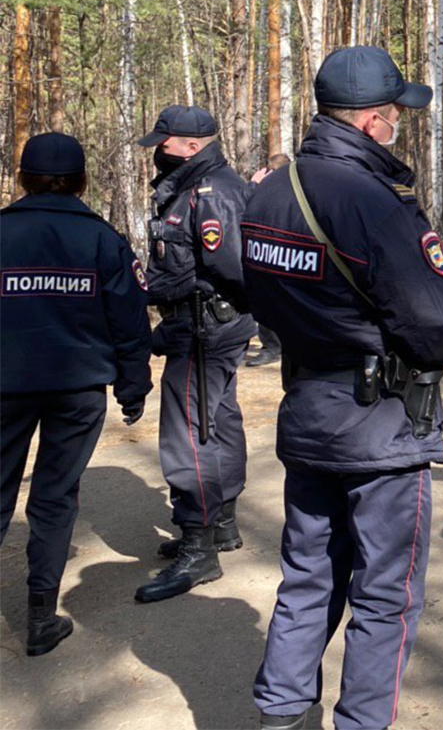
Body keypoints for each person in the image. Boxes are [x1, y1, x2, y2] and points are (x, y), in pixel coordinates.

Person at [243, 46, 443, 730]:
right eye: (398, 111)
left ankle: (280, 714)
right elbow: (438, 330)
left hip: (308, 414)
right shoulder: (375, 202)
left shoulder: (269, 191)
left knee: (308, 578)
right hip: (381, 429)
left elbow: (257, 295)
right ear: (373, 121)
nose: (402, 121)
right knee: (385, 596)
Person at [1, 132, 153, 655]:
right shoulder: (103, 239)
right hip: (77, 389)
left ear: (22, 178)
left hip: (7, 386)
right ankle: (41, 617)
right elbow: (131, 321)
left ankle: (43, 616)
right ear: (83, 181)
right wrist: (134, 388)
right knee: (55, 495)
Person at [134, 105, 257, 603]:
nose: (157, 149)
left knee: (191, 433)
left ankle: (198, 544)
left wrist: (197, 307)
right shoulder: (191, 188)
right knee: (218, 420)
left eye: (164, 141)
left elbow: (232, 268)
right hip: (202, 323)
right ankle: (220, 524)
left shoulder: (214, 193)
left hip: (204, 329)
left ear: (191, 145)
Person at [245, 153, 291, 368]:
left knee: (270, 300)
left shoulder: (279, 189)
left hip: (277, 251)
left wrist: (253, 187)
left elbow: (246, 208)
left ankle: (273, 347)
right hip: (276, 250)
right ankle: (274, 346)